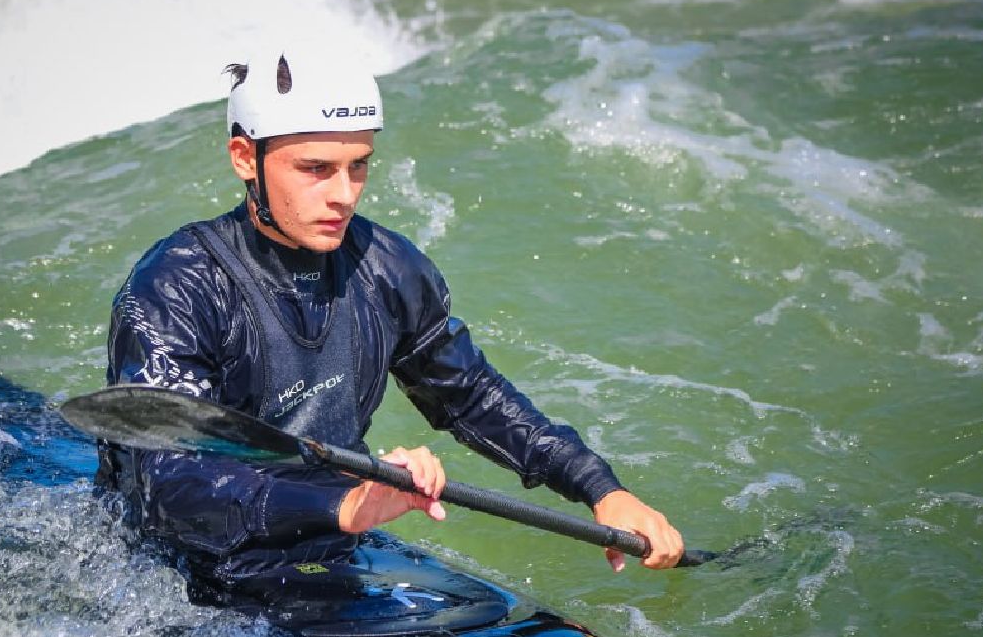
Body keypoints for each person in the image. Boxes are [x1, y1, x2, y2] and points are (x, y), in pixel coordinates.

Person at [98, 47, 682, 591]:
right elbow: (169, 483)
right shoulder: (176, 287)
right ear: (245, 156)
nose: (344, 195)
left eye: (358, 167)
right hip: (188, 576)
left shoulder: (384, 265)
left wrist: (602, 490)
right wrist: (344, 508)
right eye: (315, 168)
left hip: (329, 548)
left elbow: (471, 397)